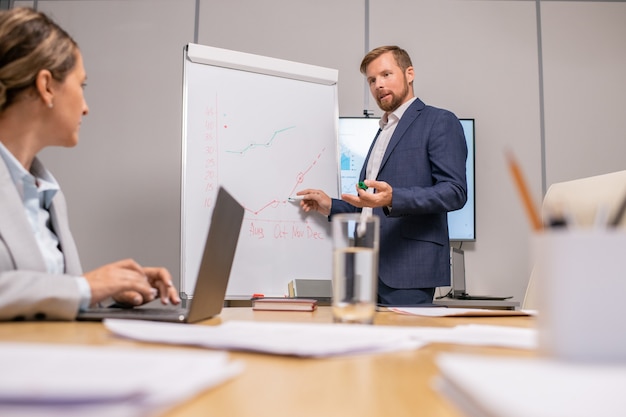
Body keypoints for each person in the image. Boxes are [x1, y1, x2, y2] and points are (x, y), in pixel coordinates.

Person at [0, 7, 180, 321]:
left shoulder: (48, 194)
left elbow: (38, 300)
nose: (85, 108)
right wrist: (85, 287)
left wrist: (108, 292)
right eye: (81, 86)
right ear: (46, 86)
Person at [297, 45, 467, 305]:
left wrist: (393, 198)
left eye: (386, 74)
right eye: (372, 80)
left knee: (403, 346)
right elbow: (370, 207)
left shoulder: (439, 121)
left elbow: (454, 192)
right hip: (366, 270)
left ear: (409, 74)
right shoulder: (383, 131)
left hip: (408, 269)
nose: (379, 84)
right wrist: (330, 205)